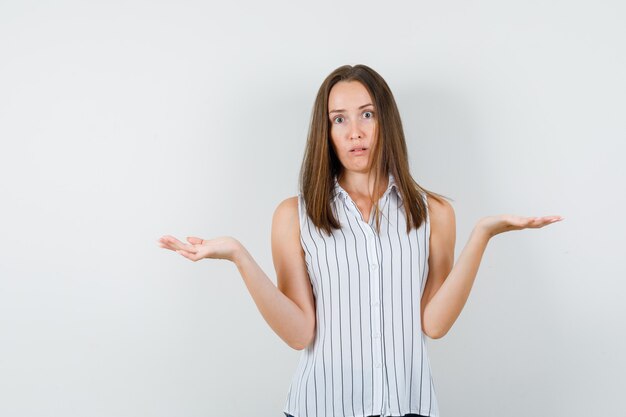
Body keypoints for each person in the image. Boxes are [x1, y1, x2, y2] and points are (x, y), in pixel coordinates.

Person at [157, 64, 562, 417]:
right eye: (339, 119)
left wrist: (482, 235)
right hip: (320, 407)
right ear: (326, 131)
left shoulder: (434, 213)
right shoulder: (293, 217)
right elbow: (299, 332)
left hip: (409, 405)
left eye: (366, 114)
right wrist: (239, 257)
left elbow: (434, 324)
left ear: (386, 120)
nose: (355, 132)